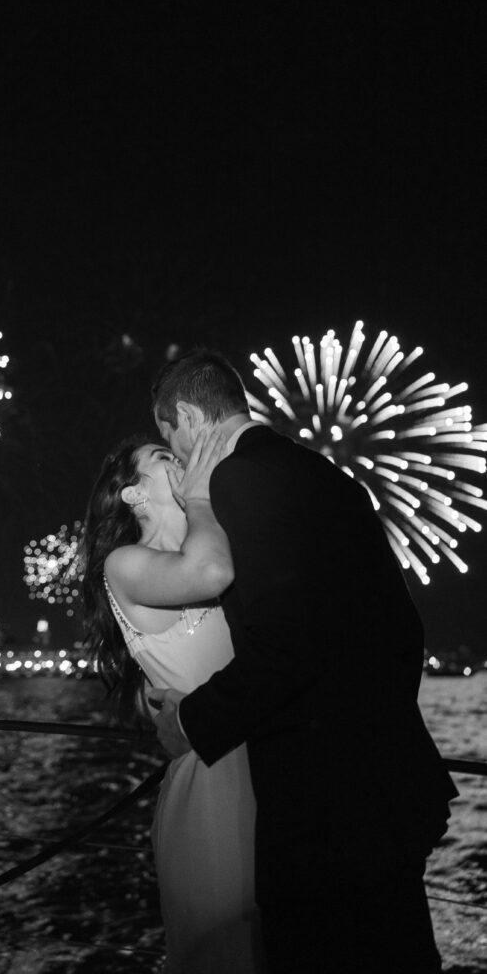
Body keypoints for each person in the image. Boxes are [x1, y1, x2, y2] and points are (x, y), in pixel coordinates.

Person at [149, 348, 459, 974]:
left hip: (326, 814)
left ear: (185, 415)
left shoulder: (237, 480)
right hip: (386, 788)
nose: (179, 466)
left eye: (171, 443)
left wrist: (188, 721)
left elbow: (286, 646)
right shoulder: (322, 474)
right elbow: (404, 628)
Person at [82, 432, 265, 973]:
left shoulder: (220, 542)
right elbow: (211, 575)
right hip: (217, 783)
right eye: (164, 458)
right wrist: (204, 497)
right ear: (133, 494)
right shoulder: (124, 563)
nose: (181, 459)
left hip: (272, 765)